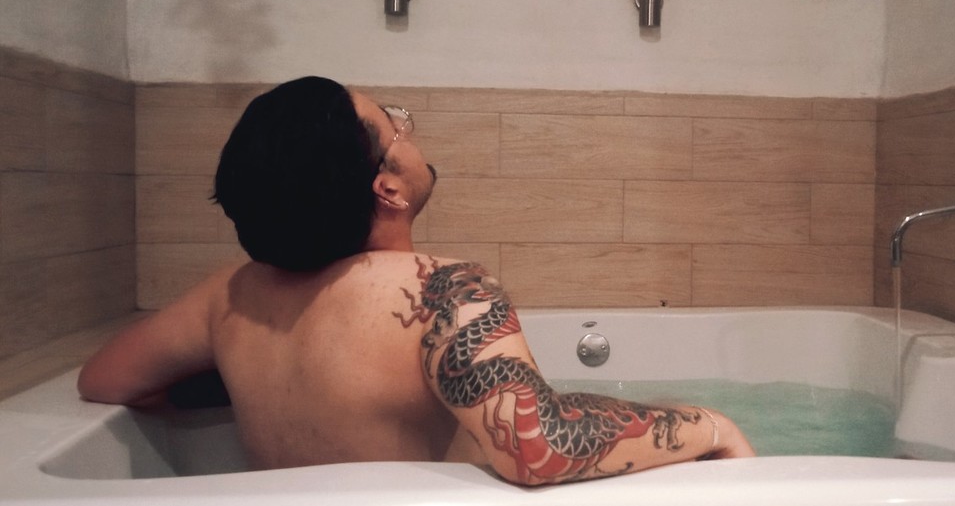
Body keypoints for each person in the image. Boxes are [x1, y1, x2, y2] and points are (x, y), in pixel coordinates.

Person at [77, 76, 754, 486]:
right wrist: (709, 424)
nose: (408, 128)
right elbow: (538, 448)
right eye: (394, 124)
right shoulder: (444, 290)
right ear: (389, 188)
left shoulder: (232, 296)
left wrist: (248, 370)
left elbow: (104, 379)